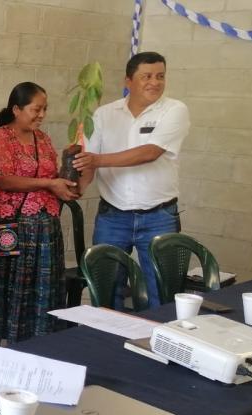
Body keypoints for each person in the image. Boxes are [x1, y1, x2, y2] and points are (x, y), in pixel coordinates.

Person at [0, 82, 83, 345]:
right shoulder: (0, 138)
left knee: (34, 294)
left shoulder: (44, 139)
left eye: (44, 109)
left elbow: (52, 176)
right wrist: (49, 184)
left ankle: (27, 348)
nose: (42, 115)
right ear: (16, 109)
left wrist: (69, 172)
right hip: (9, 228)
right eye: (36, 109)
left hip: (42, 232)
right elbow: (3, 180)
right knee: (5, 291)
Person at [73, 51, 190, 309]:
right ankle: (106, 344)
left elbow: (150, 152)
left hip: (158, 216)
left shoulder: (174, 110)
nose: (154, 82)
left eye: (160, 76)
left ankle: (155, 343)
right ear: (128, 81)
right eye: (146, 76)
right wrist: (76, 187)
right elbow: (88, 162)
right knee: (106, 288)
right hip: (113, 215)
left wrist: (96, 160)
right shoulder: (103, 114)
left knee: (161, 289)